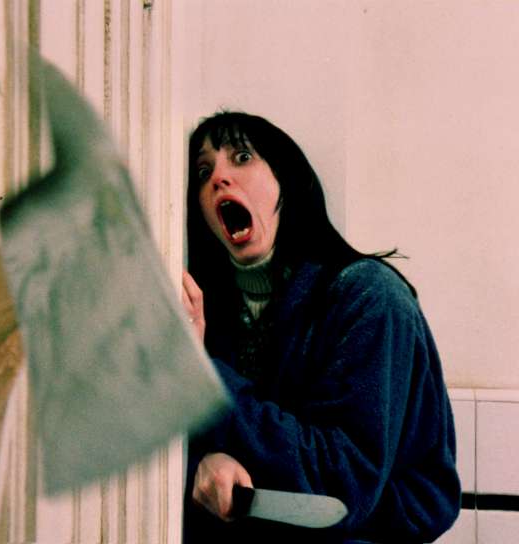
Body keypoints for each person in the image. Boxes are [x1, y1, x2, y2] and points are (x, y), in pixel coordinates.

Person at [180, 112, 461, 542]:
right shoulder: (212, 310)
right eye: (203, 171)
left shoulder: (369, 297)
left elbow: (340, 483)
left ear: (286, 180)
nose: (219, 177)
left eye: (242, 157)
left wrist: (204, 376)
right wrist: (204, 463)